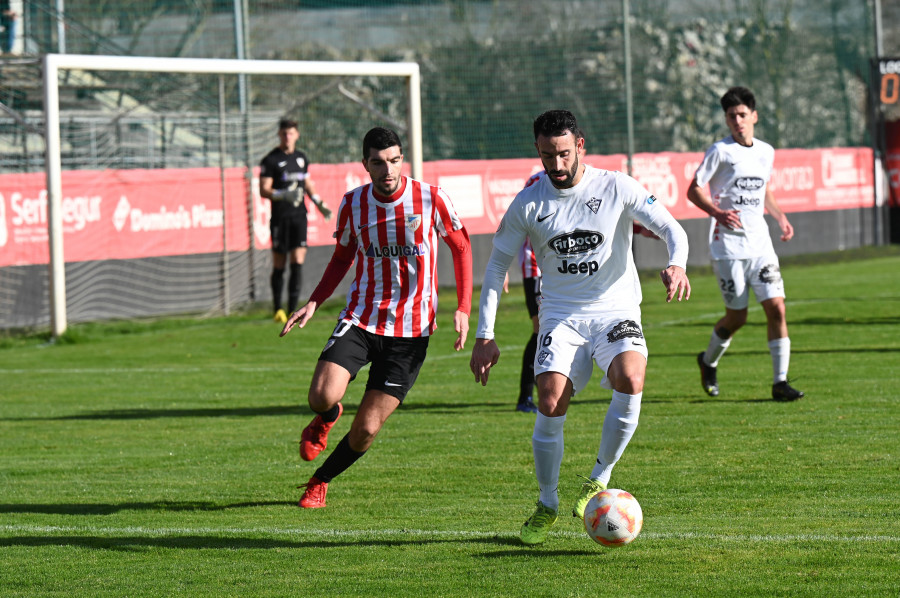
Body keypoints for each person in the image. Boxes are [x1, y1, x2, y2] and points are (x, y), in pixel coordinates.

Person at [470, 109, 691, 545]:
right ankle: (548, 502)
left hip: (615, 308)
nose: (557, 164)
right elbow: (496, 267)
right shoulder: (528, 203)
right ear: (538, 151)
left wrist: (676, 264)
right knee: (549, 401)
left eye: (564, 153)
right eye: (547, 155)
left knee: (630, 376)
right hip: (561, 315)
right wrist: (485, 334)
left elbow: (672, 229)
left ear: (581, 146)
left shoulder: (616, 186)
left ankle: (599, 476)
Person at [280, 126, 473, 509]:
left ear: (403, 158)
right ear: (365, 164)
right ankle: (327, 415)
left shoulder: (432, 198)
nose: (388, 170)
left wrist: (463, 309)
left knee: (367, 428)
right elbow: (342, 258)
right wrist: (315, 301)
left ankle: (320, 480)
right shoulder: (353, 203)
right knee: (321, 395)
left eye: (394, 160)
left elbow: (462, 248)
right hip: (362, 317)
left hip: (411, 332)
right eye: (379, 162)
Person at [687, 86, 804, 402]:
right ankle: (707, 361)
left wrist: (780, 217)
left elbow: (765, 189)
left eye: (742, 114)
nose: (737, 120)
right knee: (737, 318)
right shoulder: (720, 152)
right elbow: (693, 190)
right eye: (731, 116)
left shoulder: (766, 151)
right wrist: (717, 212)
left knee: (776, 308)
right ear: (726, 119)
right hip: (728, 248)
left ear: (754, 116)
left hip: (761, 245)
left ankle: (780, 382)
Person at [259, 118, 332, 324]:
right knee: (280, 264)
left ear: (297, 135)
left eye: (291, 133)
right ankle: (278, 310)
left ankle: (292, 309)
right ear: (279, 135)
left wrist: (318, 202)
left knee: (297, 263)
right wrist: (283, 194)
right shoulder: (270, 160)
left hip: (299, 217)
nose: (287, 137)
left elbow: (307, 182)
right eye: (284, 133)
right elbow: (263, 189)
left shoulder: (301, 158)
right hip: (280, 219)